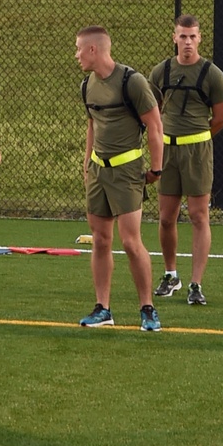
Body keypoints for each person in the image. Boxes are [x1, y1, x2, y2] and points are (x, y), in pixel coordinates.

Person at [75, 26, 164, 331]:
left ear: (93, 50)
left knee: (130, 241)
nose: (76, 56)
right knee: (100, 240)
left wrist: (156, 168)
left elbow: (154, 126)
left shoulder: (132, 82)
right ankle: (103, 309)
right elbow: (92, 125)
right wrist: (87, 164)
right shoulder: (87, 85)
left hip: (127, 171)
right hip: (99, 170)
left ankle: (147, 308)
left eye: (78, 49)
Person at [149, 14, 223, 306]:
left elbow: (222, 118)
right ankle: (171, 275)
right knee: (167, 217)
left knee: (198, 216)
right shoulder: (161, 71)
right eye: (182, 36)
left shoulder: (212, 74)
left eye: (192, 36)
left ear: (200, 38)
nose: (187, 42)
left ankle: (196, 283)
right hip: (168, 150)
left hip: (197, 152)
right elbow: (151, 110)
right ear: (174, 38)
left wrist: (199, 135)